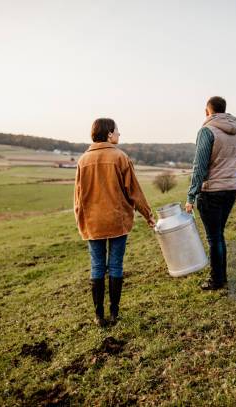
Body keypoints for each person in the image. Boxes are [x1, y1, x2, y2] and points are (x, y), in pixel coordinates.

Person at [74, 118, 155, 327]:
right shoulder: (120, 157)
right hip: (117, 221)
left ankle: (98, 316)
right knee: (116, 265)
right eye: (117, 131)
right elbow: (134, 192)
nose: (119, 134)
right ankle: (114, 313)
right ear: (109, 134)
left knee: (97, 266)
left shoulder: (83, 160)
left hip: (93, 223)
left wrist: (81, 221)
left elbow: (78, 198)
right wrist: (148, 214)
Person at [185, 96, 236, 290]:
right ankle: (221, 276)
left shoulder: (207, 131)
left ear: (207, 111)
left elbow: (199, 166)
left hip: (212, 191)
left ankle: (216, 279)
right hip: (231, 188)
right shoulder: (235, 130)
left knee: (214, 237)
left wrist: (191, 195)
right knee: (218, 234)